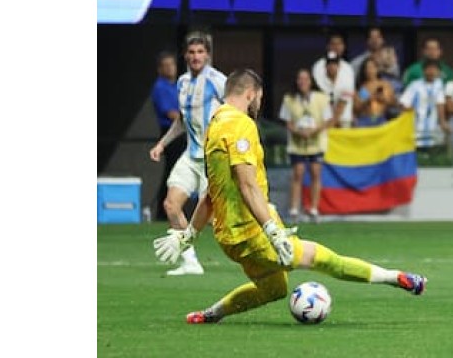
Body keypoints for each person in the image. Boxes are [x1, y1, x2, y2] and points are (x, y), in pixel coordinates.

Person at [150, 69, 427, 325]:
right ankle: (397, 278)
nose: (259, 102)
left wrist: (189, 235)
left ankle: (209, 315)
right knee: (325, 260)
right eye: (259, 97)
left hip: (229, 240)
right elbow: (247, 186)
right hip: (252, 233)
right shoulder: (240, 125)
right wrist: (273, 232)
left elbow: (212, 192)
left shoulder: (214, 125)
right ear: (250, 93)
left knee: (275, 289)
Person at [148, 31, 227, 276]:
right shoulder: (182, 83)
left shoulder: (218, 80)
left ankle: (270, 242)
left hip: (213, 158)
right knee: (171, 205)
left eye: (200, 52)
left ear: (208, 55)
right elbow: (182, 120)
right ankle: (190, 261)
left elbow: (236, 111)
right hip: (190, 156)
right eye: (191, 52)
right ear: (185, 55)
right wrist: (162, 144)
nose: (196, 56)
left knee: (221, 222)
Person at [278, 69, 331, 224]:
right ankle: (294, 210)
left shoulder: (322, 99)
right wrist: (298, 131)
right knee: (298, 173)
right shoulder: (289, 99)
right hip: (297, 142)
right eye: (300, 79)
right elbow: (287, 121)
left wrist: (313, 131)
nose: (303, 82)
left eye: (306, 78)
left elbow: (327, 120)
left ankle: (313, 208)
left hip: (316, 141)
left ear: (311, 81)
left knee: (315, 172)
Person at [149, 51, 185, 219]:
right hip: (171, 133)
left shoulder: (179, 85)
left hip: (184, 132)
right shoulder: (160, 87)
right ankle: (164, 211)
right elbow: (171, 113)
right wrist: (192, 119)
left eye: (173, 64)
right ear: (160, 69)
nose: (171, 68)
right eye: (167, 65)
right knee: (173, 172)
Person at [399, 59, 450, 158]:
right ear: (423, 71)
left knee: (433, 158)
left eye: (434, 69)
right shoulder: (415, 85)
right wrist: (409, 109)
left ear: (438, 72)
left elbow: (440, 104)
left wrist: (443, 122)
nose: (431, 72)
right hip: (417, 127)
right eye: (429, 69)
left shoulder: (439, 85)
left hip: (433, 128)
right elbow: (403, 103)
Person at [312, 33, 356, 127]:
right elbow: (321, 94)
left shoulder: (348, 69)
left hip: (344, 120)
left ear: (343, 47)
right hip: (322, 120)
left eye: (339, 44)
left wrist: (336, 119)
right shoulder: (318, 67)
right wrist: (330, 121)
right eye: (333, 44)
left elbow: (346, 96)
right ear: (328, 46)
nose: (336, 47)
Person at [353, 57, 399, 127]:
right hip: (365, 120)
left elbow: (393, 103)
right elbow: (356, 108)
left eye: (372, 67)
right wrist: (367, 100)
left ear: (377, 69)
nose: (370, 70)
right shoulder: (362, 87)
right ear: (364, 71)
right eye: (367, 68)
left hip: (381, 118)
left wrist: (384, 99)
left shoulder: (384, 85)